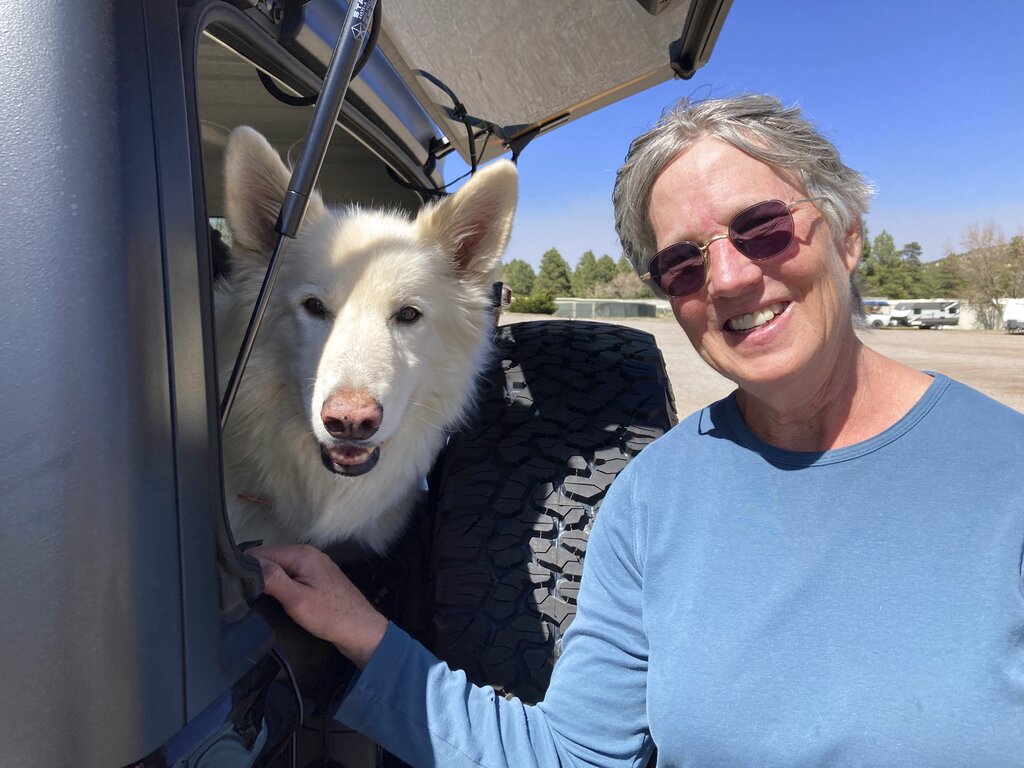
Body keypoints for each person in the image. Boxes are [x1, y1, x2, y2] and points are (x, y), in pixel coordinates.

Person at [254, 94, 1024, 766]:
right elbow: (575, 756)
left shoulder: (1006, 474)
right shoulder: (654, 494)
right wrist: (361, 631)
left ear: (849, 235)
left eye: (762, 228)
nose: (727, 277)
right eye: (682, 263)